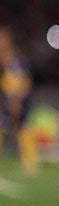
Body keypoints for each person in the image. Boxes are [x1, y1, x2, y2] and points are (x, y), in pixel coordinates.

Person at [0, 26, 36, 175]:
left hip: (16, 100)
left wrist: (16, 102)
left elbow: (18, 83)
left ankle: (31, 164)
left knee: (23, 130)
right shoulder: (6, 59)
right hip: (8, 99)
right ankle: (30, 164)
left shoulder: (14, 60)